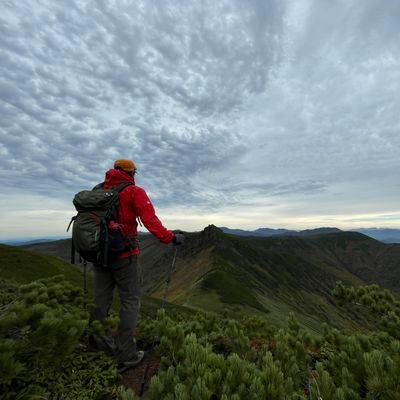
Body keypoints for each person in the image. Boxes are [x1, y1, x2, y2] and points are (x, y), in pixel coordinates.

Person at [89, 159, 184, 372]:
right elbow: (151, 221)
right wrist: (171, 238)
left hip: (98, 255)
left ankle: (98, 344)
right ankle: (126, 355)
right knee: (130, 301)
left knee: (100, 300)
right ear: (131, 173)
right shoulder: (133, 191)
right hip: (124, 255)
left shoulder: (97, 190)